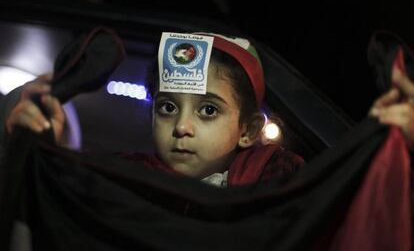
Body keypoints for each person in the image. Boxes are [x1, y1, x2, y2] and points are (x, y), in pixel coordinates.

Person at [3, 32, 305, 187]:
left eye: (209, 110)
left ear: (248, 130)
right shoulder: (124, 181)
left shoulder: (276, 182)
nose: (182, 127)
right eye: (168, 107)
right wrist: (39, 150)